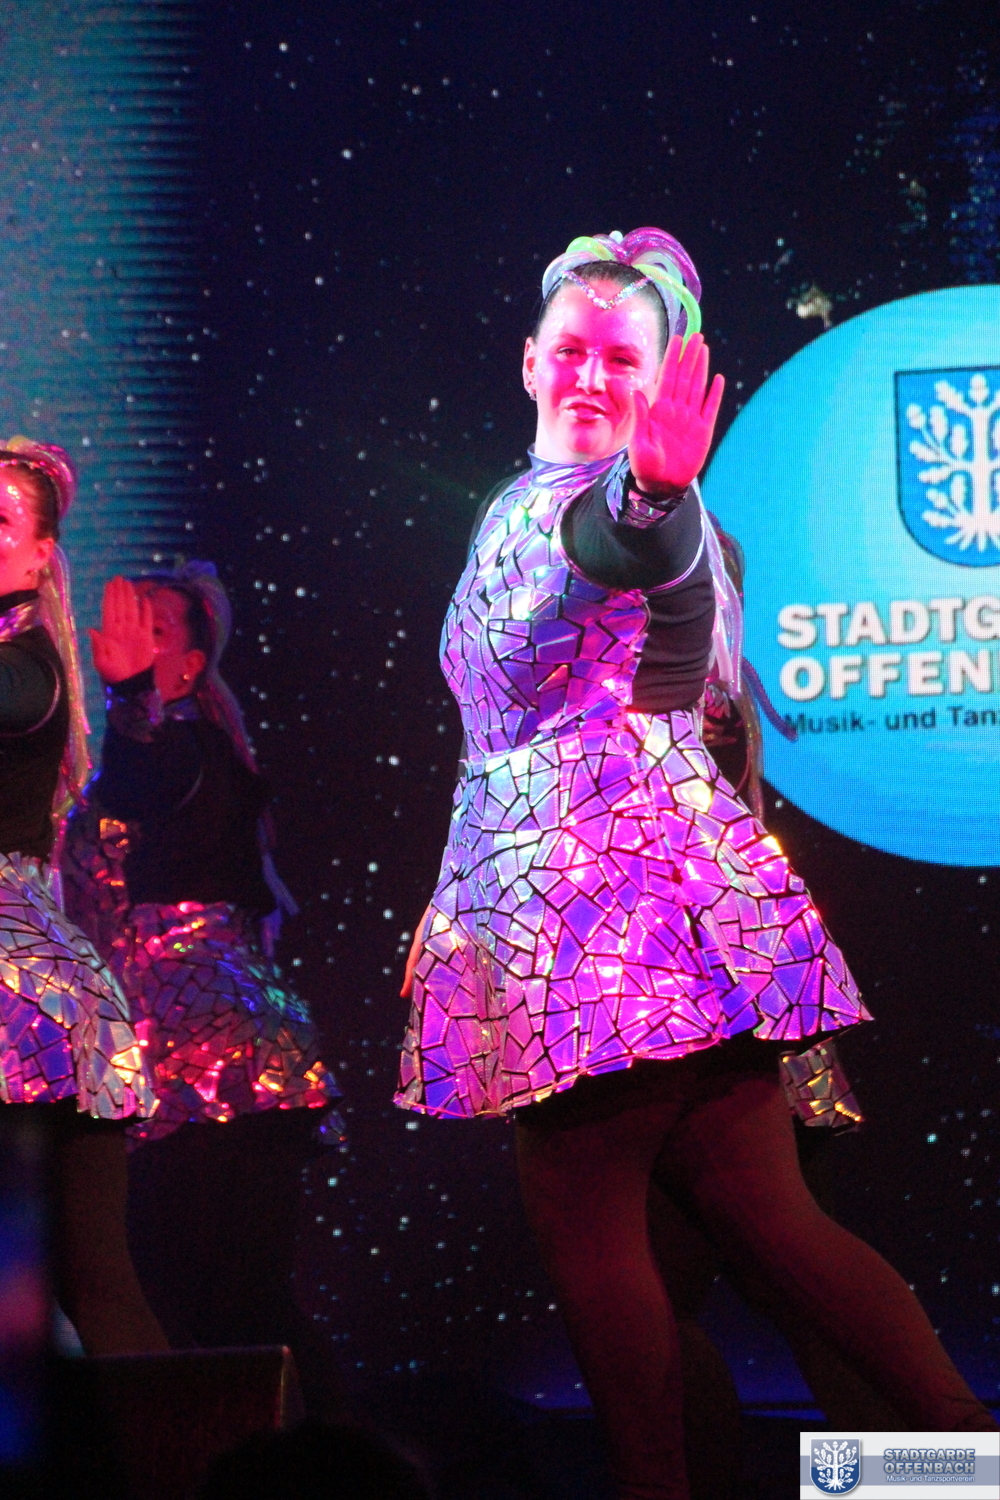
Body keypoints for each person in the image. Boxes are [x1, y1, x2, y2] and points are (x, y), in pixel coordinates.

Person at [395, 231, 996, 1500]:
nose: (591, 376)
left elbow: (614, 555)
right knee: (765, 1247)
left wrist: (649, 494)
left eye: (624, 359)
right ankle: (952, 1463)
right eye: (572, 350)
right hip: (667, 921)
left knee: (621, 1253)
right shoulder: (521, 503)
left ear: (667, 382)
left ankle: (909, 1473)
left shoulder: (623, 510)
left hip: (592, 931)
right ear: (527, 360)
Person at [61, 561, 344, 1411]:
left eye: (153, 633)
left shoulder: (184, 749)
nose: (125, 643)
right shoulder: (165, 756)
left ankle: (314, 1458)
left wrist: (127, 697)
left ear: (187, 666)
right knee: (231, 1304)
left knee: (204, 1304)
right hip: (218, 1058)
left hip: (204, 1069)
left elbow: (141, 786)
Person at [0, 435, 165, 1356]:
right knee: (91, 1282)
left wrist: (135, 701)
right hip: (43, 994)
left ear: (39, 557)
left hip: (18, 1001)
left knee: (86, 1284)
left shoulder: (28, 667)